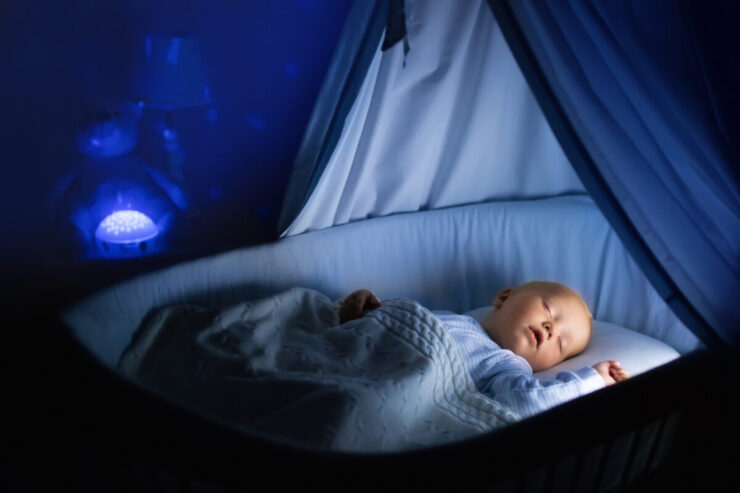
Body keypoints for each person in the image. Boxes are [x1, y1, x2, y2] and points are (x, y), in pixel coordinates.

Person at [338, 281, 630, 418]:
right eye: (549, 309)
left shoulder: (506, 366)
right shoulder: (450, 316)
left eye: (562, 344)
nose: (552, 330)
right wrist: (369, 306)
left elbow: (529, 401)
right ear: (504, 297)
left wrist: (592, 380)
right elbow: (401, 321)